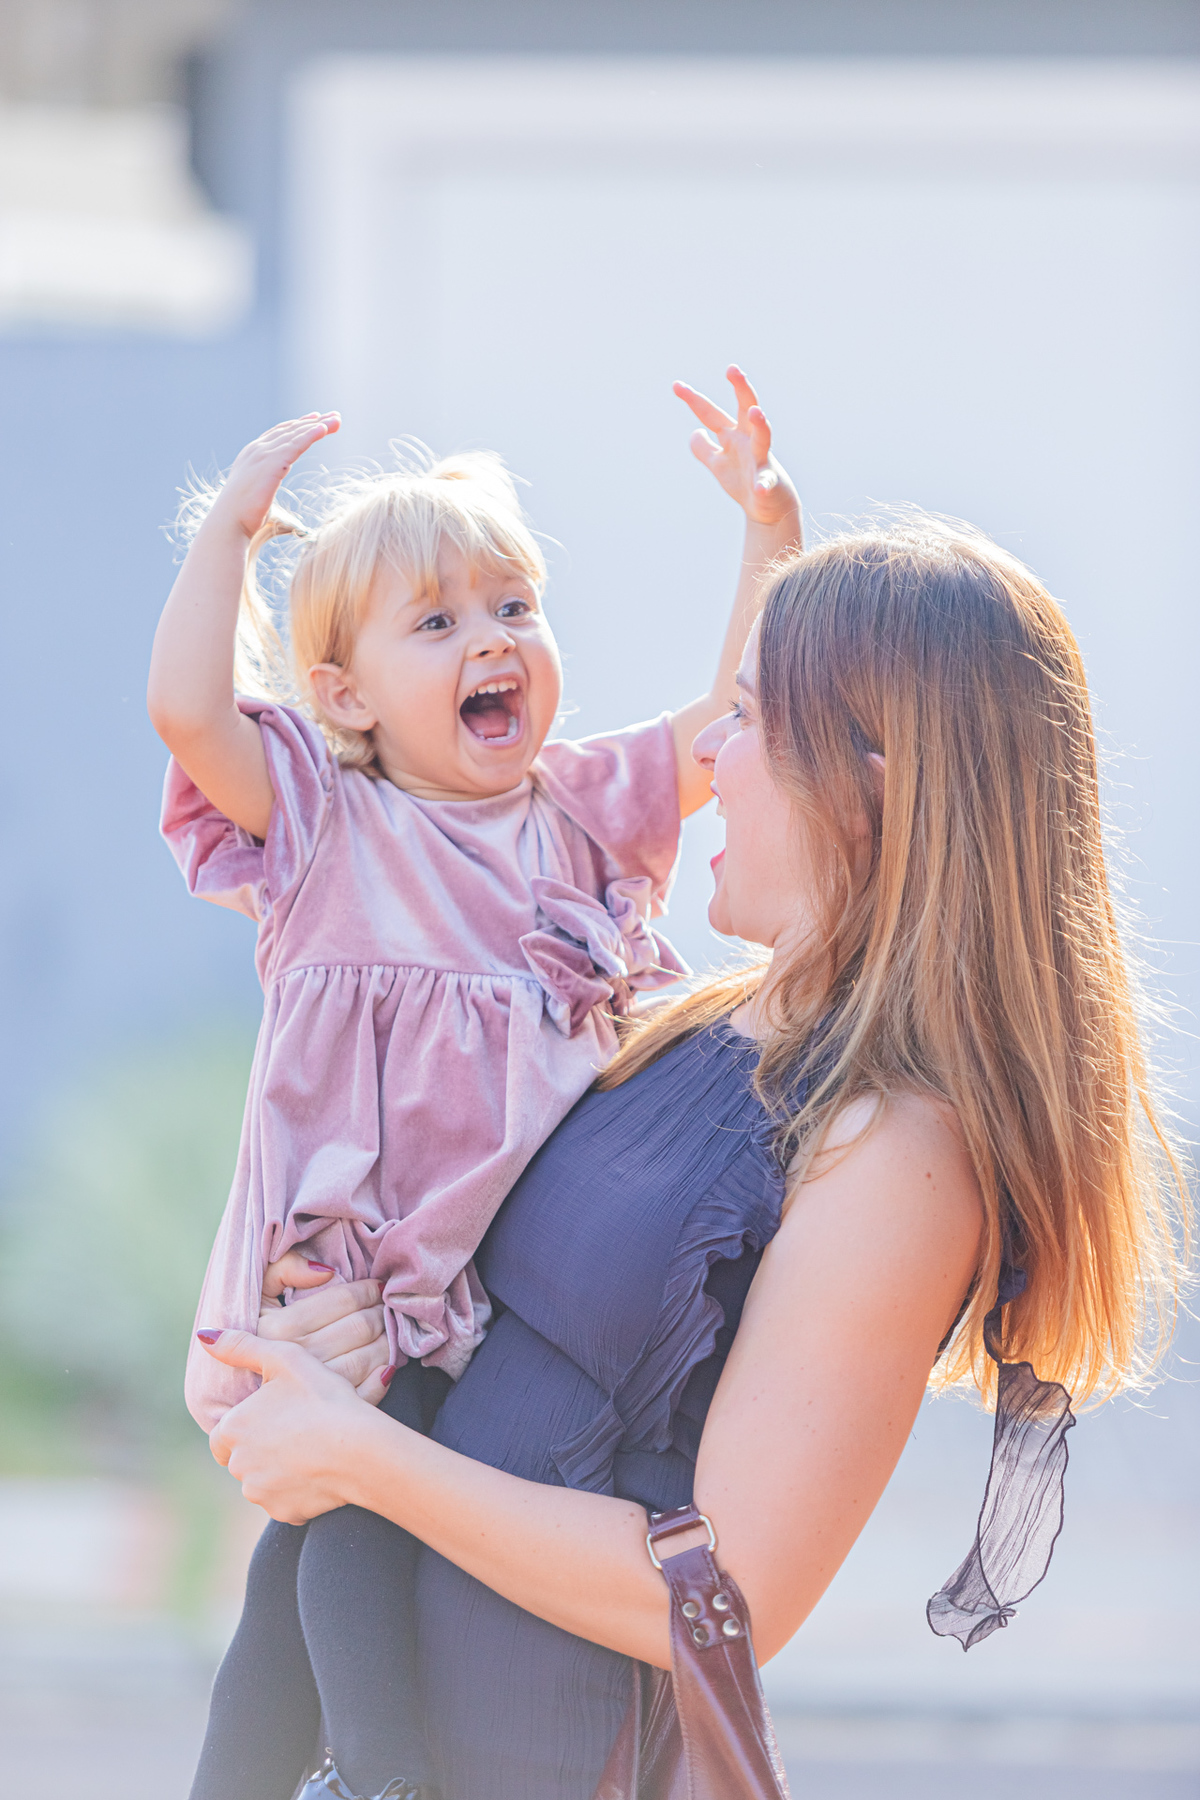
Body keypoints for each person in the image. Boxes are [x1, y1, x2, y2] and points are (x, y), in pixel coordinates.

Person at [199, 508, 1185, 1800]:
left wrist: (364, 1457)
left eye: (755, 717)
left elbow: (728, 1594)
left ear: (873, 781)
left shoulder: (899, 1146)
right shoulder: (689, 1020)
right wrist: (331, 1335)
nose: (712, 747)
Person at [147, 371, 803, 1799]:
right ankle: (380, 1776)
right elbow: (187, 713)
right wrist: (228, 539)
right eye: (436, 623)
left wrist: (768, 535)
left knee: (317, 1550)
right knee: (349, 1512)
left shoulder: (581, 811)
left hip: (497, 1277)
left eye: (513, 605)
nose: (492, 639)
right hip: (356, 1275)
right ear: (344, 697)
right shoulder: (328, 821)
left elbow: (729, 721)